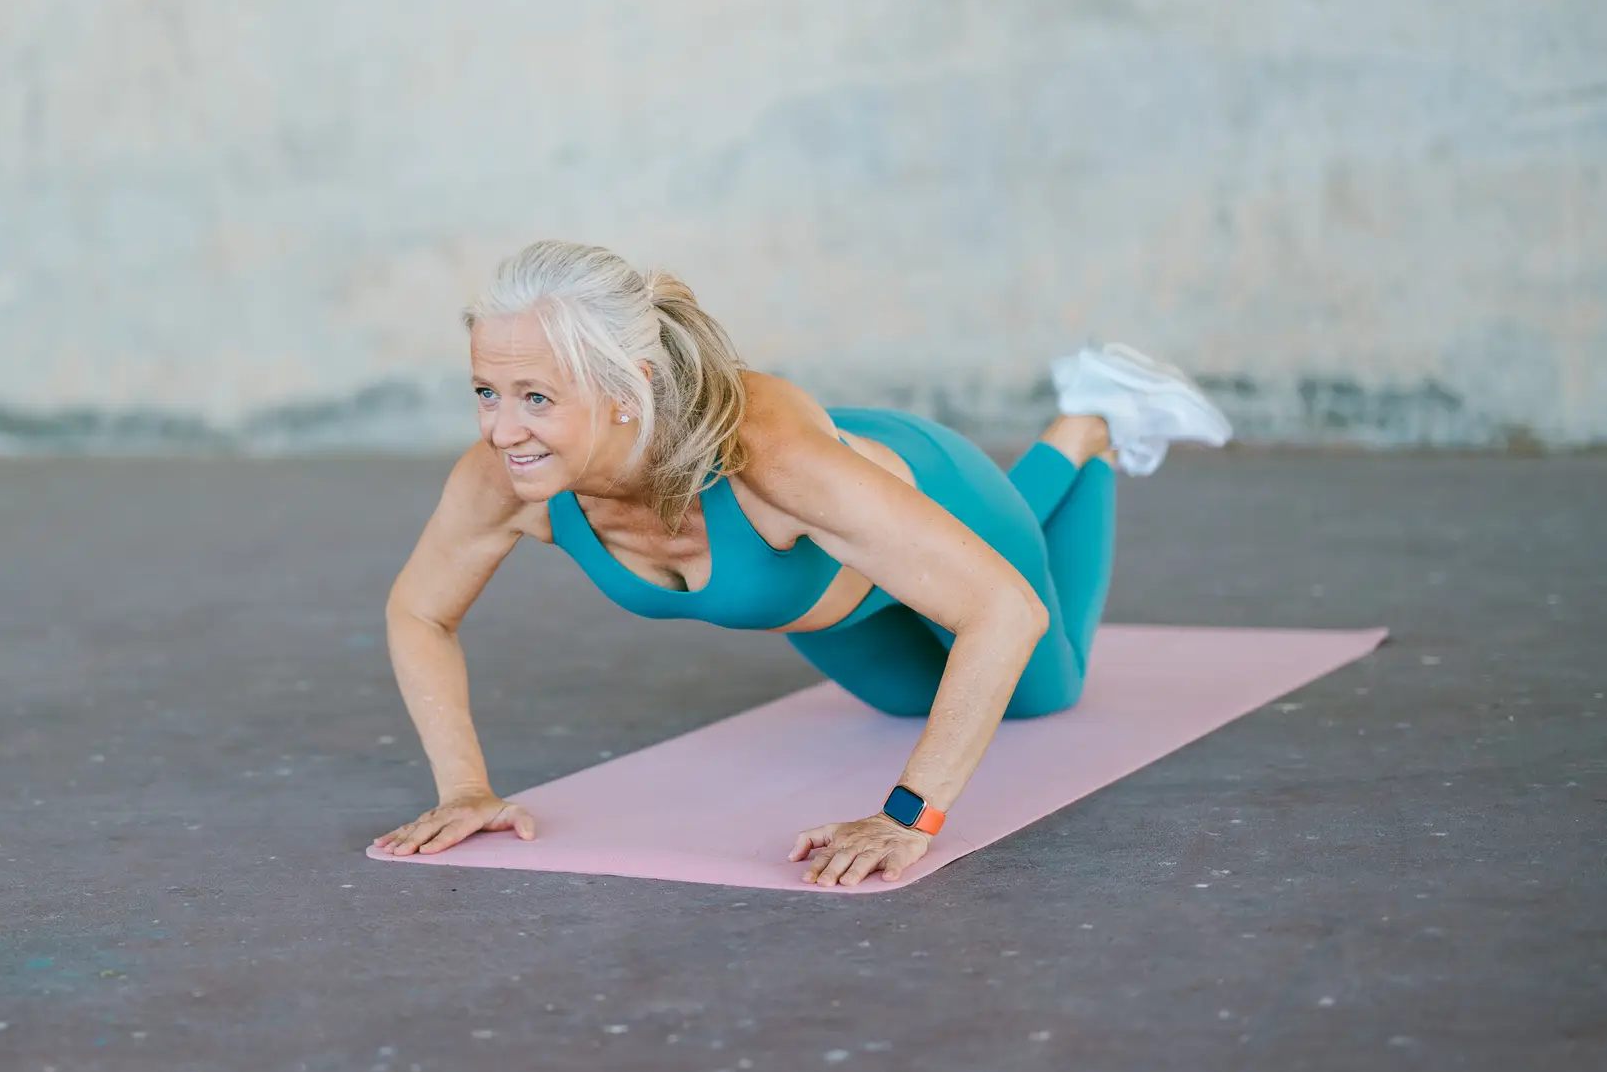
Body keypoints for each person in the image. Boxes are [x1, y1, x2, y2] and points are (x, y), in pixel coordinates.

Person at [372, 241, 1233, 887]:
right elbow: (418, 610)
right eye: (487, 392)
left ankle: (1088, 424)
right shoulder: (509, 481)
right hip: (830, 592)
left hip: (930, 489)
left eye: (535, 399)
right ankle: (1076, 433)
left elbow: (1005, 612)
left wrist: (909, 817)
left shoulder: (767, 465)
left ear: (627, 389)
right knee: (911, 703)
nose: (500, 429)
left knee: (1043, 693)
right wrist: (464, 792)